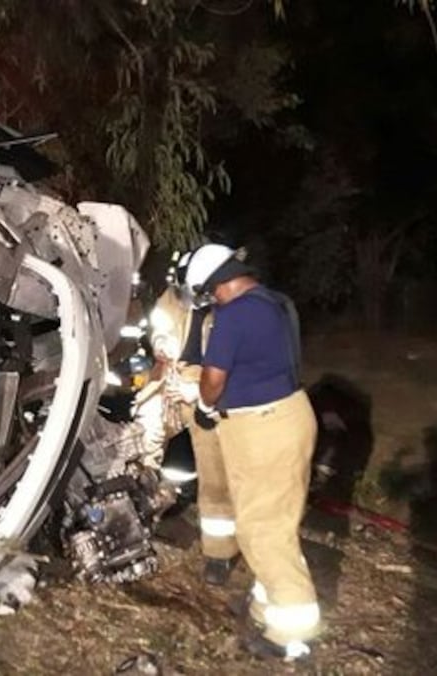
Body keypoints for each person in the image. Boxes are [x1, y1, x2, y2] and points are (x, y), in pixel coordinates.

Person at [184, 245, 320, 661]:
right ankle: (267, 605)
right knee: (272, 521)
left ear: (216, 284)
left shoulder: (234, 314)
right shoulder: (272, 302)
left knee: (263, 531)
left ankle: (292, 635)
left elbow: (213, 378)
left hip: (264, 427)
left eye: (208, 293)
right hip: (288, 414)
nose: (211, 301)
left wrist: (204, 405)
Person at [133, 245, 241, 584]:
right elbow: (161, 324)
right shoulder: (173, 297)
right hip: (169, 376)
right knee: (141, 439)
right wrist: (161, 343)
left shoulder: (232, 309)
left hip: (208, 385)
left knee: (213, 468)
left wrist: (199, 391)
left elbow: (229, 365)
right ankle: (137, 514)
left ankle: (220, 553)